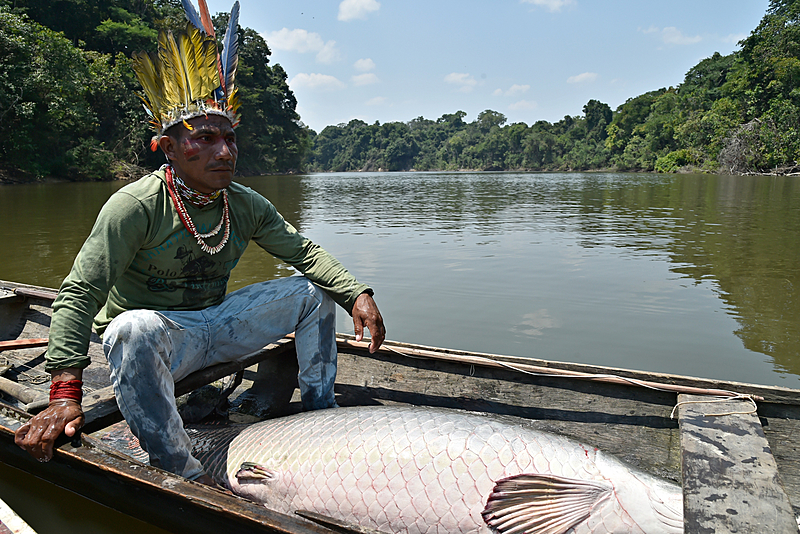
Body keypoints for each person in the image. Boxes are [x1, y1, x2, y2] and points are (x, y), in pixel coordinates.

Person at [14, 2, 385, 486]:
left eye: (229, 139)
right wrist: (65, 390)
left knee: (313, 292)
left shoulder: (244, 202)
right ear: (168, 148)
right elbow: (79, 293)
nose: (224, 151)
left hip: (219, 323)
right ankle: (181, 470)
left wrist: (357, 292)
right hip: (164, 339)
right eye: (205, 138)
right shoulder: (136, 206)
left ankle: (320, 413)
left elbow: (304, 253)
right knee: (132, 329)